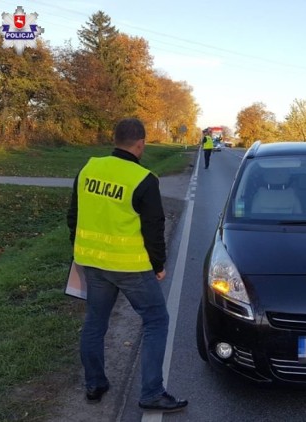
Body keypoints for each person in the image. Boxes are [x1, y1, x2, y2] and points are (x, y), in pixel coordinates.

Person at [66, 118, 188, 413]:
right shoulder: (144, 179)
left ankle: (94, 385)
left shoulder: (89, 168)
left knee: (95, 322)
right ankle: (151, 392)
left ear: (115, 140)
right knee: (156, 320)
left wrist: (79, 250)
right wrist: (158, 265)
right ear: (141, 143)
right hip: (130, 267)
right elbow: (154, 228)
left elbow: (74, 215)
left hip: (92, 263)